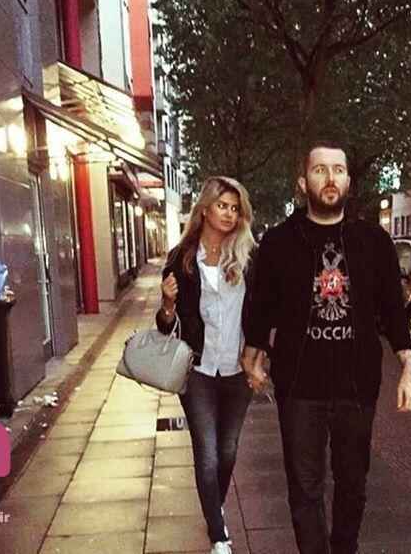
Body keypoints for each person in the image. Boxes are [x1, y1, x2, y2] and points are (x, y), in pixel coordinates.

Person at [241, 141, 411, 554]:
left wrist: (407, 366)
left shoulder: (372, 241)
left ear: (348, 181)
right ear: (304, 182)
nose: (330, 178)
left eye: (338, 170)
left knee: (353, 483)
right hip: (299, 385)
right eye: (320, 170)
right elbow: (262, 306)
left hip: (357, 386)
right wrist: (253, 354)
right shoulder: (280, 242)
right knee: (304, 488)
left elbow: (393, 309)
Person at [156, 176, 257, 554]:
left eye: (235, 208)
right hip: (197, 369)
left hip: (237, 369)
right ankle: (219, 535)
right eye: (222, 206)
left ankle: (214, 509)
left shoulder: (248, 256)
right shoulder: (181, 258)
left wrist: (259, 354)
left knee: (228, 451)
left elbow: (262, 311)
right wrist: (168, 304)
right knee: (208, 452)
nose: (229, 214)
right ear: (205, 209)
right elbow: (166, 325)